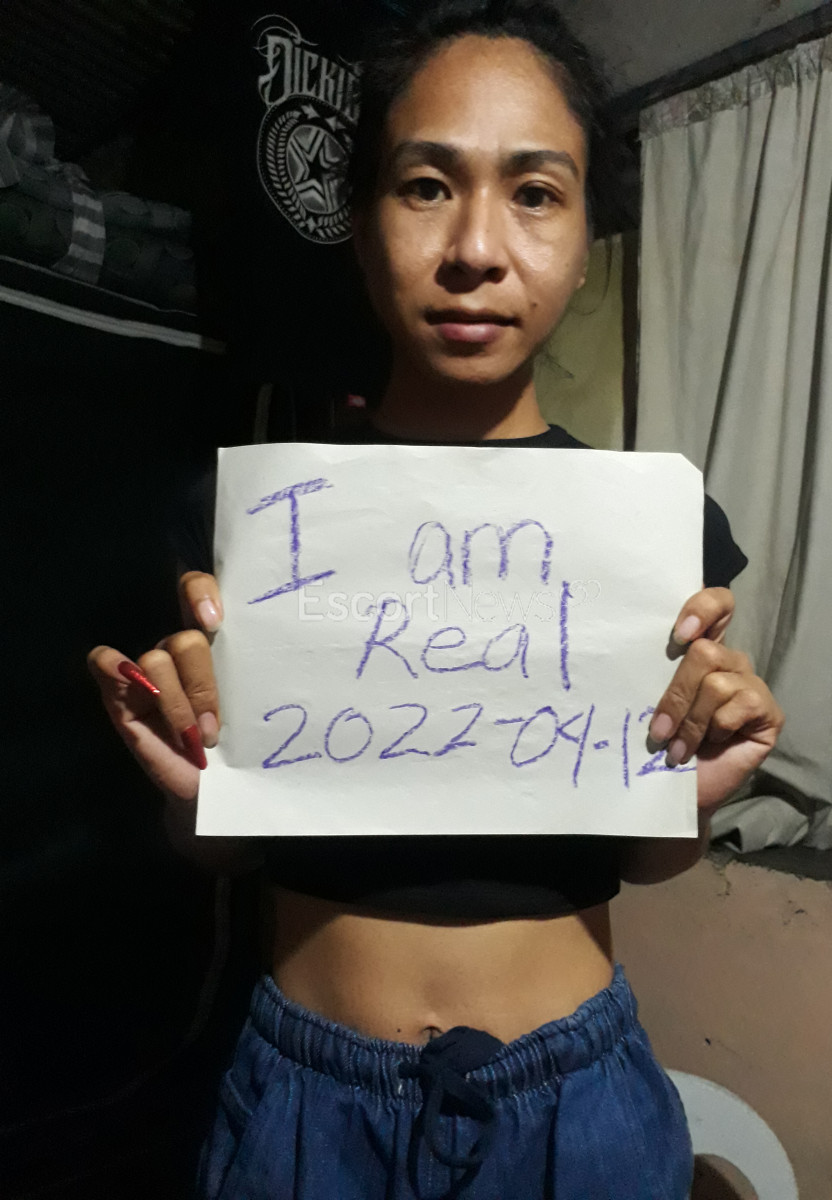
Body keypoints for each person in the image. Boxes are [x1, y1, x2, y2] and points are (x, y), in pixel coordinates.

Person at [89, 3, 784, 1197]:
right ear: (362, 225)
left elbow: (644, 857)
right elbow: (224, 851)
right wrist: (192, 788)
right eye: (425, 186)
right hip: (305, 1103)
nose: (476, 248)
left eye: (535, 193)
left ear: (585, 239)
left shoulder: (659, 531)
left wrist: (698, 784)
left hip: (574, 1106)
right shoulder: (241, 523)